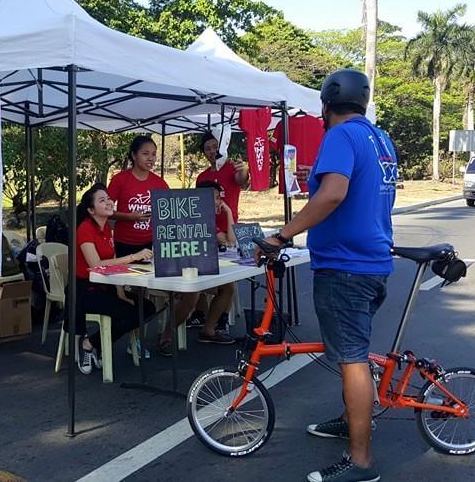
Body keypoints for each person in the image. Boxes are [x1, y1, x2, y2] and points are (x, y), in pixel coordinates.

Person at [258, 69, 396, 482]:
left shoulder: (339, 136)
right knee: (351, 350)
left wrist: (282, 236)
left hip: (345, 267)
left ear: (326, 104)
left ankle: (361, 463)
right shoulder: (380, 138)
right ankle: (348, 419)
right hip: (372, 264)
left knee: (352, 359)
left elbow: (332, 193)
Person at [72, 184, 155, 374]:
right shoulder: (85, 229)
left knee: (146, 308)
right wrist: (133, 257)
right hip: (86, 290)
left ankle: (93, 343)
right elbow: (96, 265)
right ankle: (89, 344)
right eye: (102, 200)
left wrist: (120, 292)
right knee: (128, 313)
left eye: (109, 198)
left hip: (107, 287)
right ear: (91, 210)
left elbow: (113, 267)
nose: (109, 202)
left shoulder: (107, 229)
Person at [157, 180, 236, 356]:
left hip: (199, 269)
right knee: (192, 294)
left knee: (228, 287)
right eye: (215, 198)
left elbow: (230, 241)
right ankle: (166, 336)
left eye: (219, 198)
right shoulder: (185, 217)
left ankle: (208, 329)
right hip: (177, 270)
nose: (219, 202)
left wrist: (229, 212)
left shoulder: (208, 219)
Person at [190, 135, 247, 331]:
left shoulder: (233, 168)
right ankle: (202, 314)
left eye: (216, 146)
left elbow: (242, 179)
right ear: (204, 153)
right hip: (207, 230)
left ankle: (219, 318)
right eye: (208, 148)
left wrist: (244, 170)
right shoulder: (202, 177)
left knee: (228, 275)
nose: (213, 151)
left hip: (229, 228)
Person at [107, 136, 170, 258]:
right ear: (134, 155)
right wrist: (128, 217)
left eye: (153, 154)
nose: (150, 158)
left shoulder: (160, 183)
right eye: (145, 154)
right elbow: (105, 210)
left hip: (150, 243)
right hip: (124, 243)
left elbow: (168, 212)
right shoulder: (119, 180)